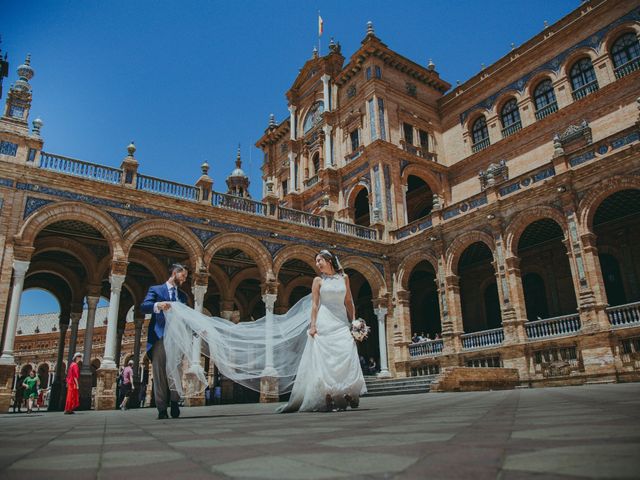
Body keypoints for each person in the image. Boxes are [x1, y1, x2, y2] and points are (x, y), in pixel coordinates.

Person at [278, 249, 366, 412]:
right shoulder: (318, 280)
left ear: (329, 260)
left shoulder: (344, 278)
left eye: (320, 260)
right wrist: (313, 325)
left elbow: (348, 301)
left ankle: (346, 390)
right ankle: (328, 393)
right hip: (324, 321)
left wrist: (353, 320)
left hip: (341, 321)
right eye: (316, 261)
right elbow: (315, 305)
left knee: (346, 352)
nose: (317, 264)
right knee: (326, 357)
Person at [140, 263, 188, 420]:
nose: (184, 279)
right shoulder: (156, 290)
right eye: (183, 275)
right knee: (159, 372)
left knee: (176, 370)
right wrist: (158, 305)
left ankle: (174, 402)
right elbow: (144, 306)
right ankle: (161, 408)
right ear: (175, 273)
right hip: (159, 336)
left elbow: (186, 318)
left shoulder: (183, 296)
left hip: (176, 338)